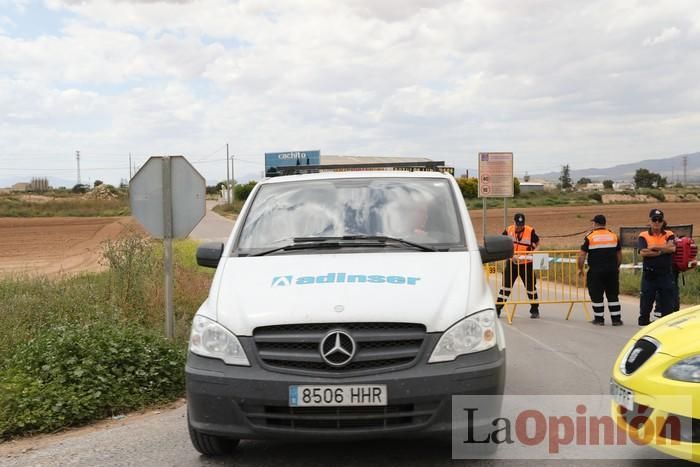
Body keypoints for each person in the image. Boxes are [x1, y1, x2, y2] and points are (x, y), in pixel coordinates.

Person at [577, 214, 623, 326]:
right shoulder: (613, 236)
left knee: (596, 295)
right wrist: (617, 267)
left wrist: (580, 268)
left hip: (596, 271)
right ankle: (616, 319)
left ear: (595, 223)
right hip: (612, 271)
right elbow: (619, 254)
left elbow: (582, 255)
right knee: (613, 295)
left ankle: (599, 319)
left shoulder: (590, 237)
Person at [495, 213, 541, 318]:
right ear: (514, 222)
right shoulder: (508, 230)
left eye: (522, 224)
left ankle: (535, 310)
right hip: (512, 263)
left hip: (526, 264)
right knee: (506, 287)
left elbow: (538, 244)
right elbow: (502, 245)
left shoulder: (530, 231)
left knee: (530, 287)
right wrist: (511, 256)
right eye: (518, 224)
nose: (520, 226)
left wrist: (532, 253)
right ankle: (497, 309)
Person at [638, 208, 676, 326]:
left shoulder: (669, 234)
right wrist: (663, 250)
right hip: (650, 275)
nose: (657, 222)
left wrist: (654, 247)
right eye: (654, 219)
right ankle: (644, 324)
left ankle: (666, 326)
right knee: (646, 302)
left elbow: (672, 248)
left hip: (665, 274)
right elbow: (643, 252)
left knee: (667, 303)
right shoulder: (643, 235)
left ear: (663, 221)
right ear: (649, 220)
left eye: (659, 220)